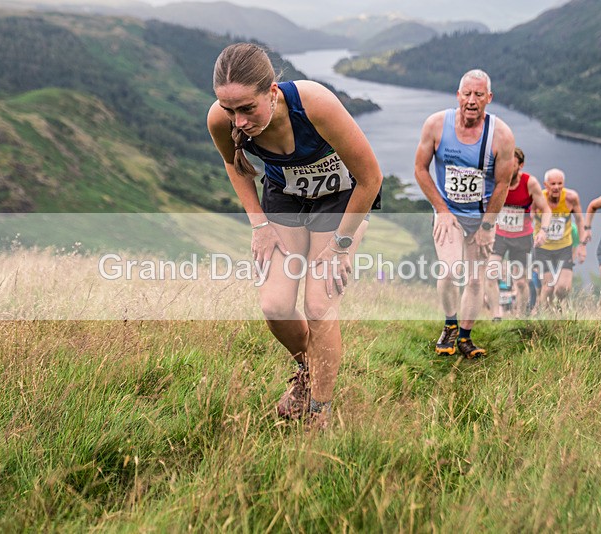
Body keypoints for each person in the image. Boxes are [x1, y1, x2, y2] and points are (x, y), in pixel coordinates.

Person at [207, 43, 383, 429]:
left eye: (247, 109)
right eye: (228, 109)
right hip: (285, 197)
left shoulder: (315, 104)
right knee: (274, 306)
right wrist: (259, 224)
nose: (238, 122)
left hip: (341, 198)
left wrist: (341, 245)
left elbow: (371, 178)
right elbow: (233, 166)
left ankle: (320, 409)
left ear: (271, 92)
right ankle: (311, 370)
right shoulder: (220, 122)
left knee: (319, 304)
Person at [414, 68, 515, 358]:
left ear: (489, 98)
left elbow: (503, 183)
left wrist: (486, 226)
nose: (472, 100)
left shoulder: (502, 135)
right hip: (450, 215)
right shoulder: (436, 125)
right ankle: (450, 325)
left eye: (479, 95)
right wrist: (442, 209)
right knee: (448, 270)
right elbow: (420, 169)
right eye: (467, 94)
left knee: (474, 280)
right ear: (458, 95)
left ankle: (466, 338)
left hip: (482, 217)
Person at [484, 147, 551, 320]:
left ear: (521, 165)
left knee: (521, 282)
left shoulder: (529, 183)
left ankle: (520, 317)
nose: (507, 168)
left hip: (522, 238)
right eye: (504, 164)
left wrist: (543, 231)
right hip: (499, 235)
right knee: (490, 274)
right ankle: (496, 315)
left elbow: (546, 209)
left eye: (512, 165)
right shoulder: (495, 181)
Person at [531, 168, 587, 310]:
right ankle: (546, 317)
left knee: (563, 288)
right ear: (545, 184)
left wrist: (582, 245)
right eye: (553, 184)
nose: (556, 187)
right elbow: (527, 218)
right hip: (543, 249)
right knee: (548, 287)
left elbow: (580, 220)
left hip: (564, 248)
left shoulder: (571, 198)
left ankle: (558, 307)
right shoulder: (537, 198)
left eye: (560, 184)